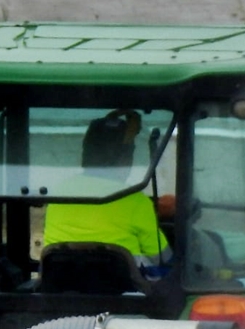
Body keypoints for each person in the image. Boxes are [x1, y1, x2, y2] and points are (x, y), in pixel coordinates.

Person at [43, 109, 173, 272]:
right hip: (124, 294)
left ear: (86, 153)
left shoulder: (59, 193)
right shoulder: (135, 201)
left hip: (58, 291)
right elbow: (162, 257)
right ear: (125, 158)